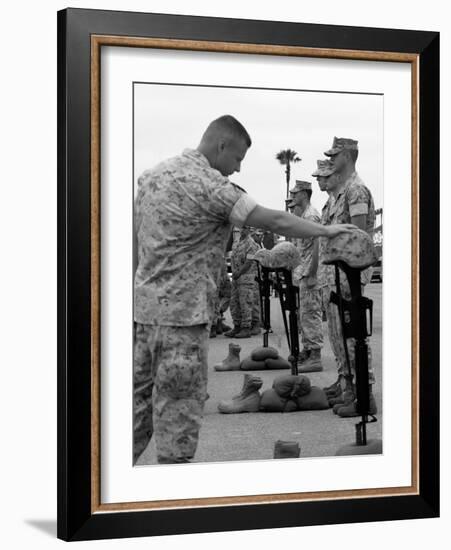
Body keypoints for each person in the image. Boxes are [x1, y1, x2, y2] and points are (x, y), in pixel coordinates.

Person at [133, 115, 355, 464]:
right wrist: (326, 232)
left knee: (134, 411)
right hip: (182, 321)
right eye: (237, 159)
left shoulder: (150, 178)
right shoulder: (210, 186)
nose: (235, 170)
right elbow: (274, 219)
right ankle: (167, 507)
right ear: (221, 145)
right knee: (178, 419)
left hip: (143, 317)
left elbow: (137, 246)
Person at [321, 137, 377, 417]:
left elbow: (357, 238)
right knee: (341, 335)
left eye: (335, 155)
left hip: (350, 274)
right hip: (336, 273)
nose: (330, 159)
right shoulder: (343, 192)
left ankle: (364, 395)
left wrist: (347, 273)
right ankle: (350, 391)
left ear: (349, 155)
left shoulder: (356, 190)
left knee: (354, 335)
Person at [288, 181, 324, 372]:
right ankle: (309, 351)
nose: (293, 197)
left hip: (310, 273)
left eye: (296, 193)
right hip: (304, 272)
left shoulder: (311, 216)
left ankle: (315, 356)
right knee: (305, 314)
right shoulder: (304, 216)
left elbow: (318, 245)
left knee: (311, 315)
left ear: (304, 194)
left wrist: (312, 272)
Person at [311, 159, 336, 320]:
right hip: (329, 274)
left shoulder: (342, 199)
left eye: (320, 176)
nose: (318, 180)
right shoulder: (329, 203)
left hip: (340, 274)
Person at [226, 226, 261, 338]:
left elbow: (249, 261)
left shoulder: (251, 244)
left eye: (245, 228)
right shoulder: (236, 243)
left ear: (250, 230)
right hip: (237, 278)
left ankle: (246, 327)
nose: (243, 230)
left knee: (245, 302)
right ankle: (237, 326)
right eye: (242, 228)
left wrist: (239, 272)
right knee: (234, 303)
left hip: (246, 278)